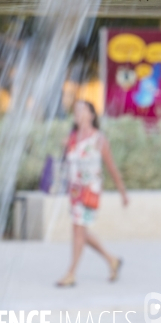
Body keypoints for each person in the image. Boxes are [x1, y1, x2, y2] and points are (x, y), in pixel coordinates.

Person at [56, 100, 129, 287]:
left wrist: (122, 192)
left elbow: (110, 166)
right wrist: (63, 147)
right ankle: (112, 260)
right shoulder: (72, 137)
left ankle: (71, 273)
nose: (78, 113)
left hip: (90, 191)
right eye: (75, 110)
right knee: (80, 231)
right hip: (74, 191)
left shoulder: (99, 139)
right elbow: (67, 163)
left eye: (82, 110)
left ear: (91, 115)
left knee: (78, 231)